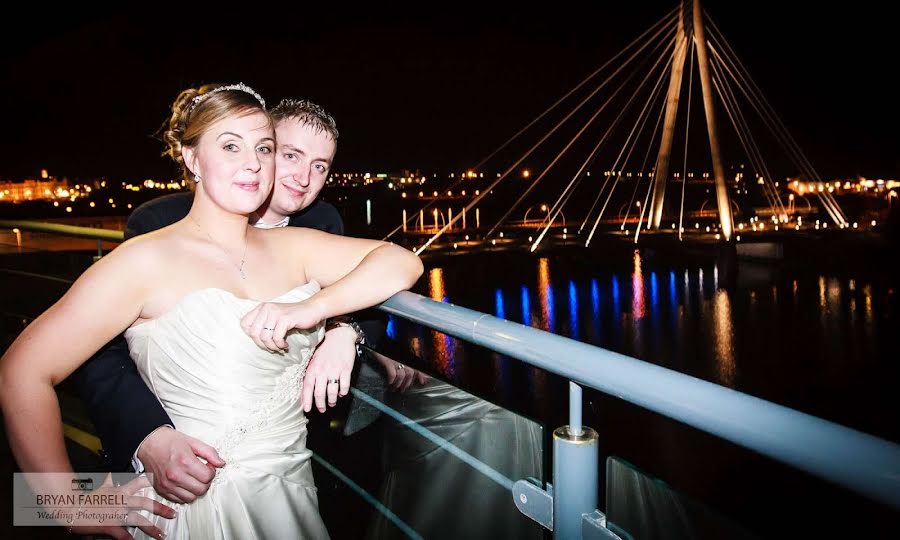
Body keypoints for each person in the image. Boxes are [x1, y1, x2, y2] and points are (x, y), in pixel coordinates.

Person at [0, 83, 424, 539]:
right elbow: (20, 371)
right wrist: (69, 507)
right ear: (191, 158)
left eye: (264, 148)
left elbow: (403, 262)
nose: (253, 163)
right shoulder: (145, 259)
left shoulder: (295, 246)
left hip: (290, 500)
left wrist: (320, 311)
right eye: (230, 146)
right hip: (188, 508)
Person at [72, 98, 368, 509]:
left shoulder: (322, 226)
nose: (303, 177)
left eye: (321, 166)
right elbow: (100, 351)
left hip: (287, 466)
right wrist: (147, 436)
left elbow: (374, 281)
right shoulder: (159, 225)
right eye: (287, 155)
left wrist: (344, 330)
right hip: (178, 461)